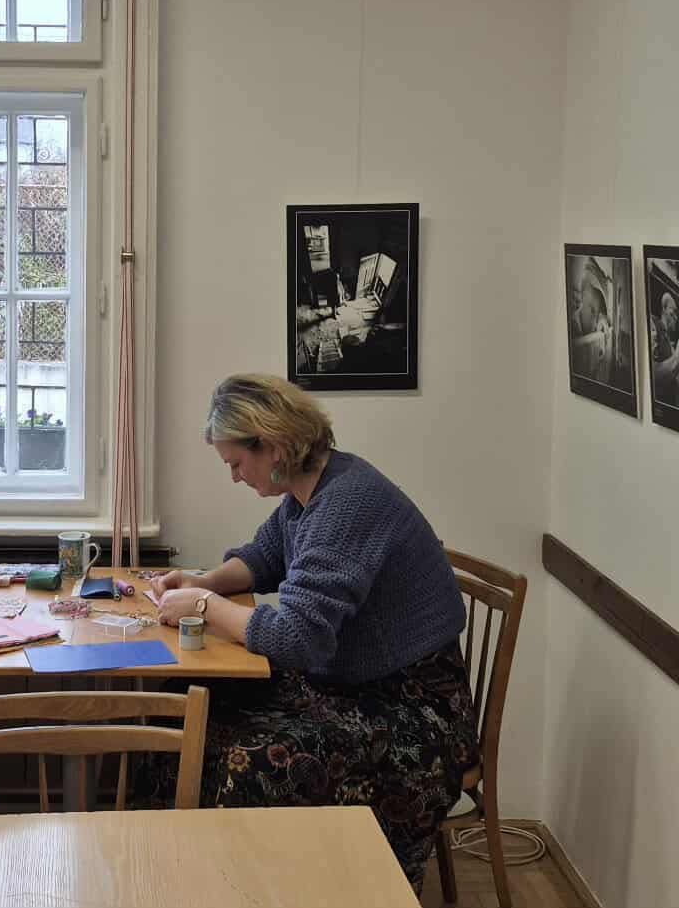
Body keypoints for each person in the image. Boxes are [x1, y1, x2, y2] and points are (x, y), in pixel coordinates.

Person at [142, 374, 475, 891]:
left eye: (236, 463)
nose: (234, 477)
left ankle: (260, 887)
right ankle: (189, 873)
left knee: (250, 762)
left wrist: (204, 606)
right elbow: (265, 556)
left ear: (272, 446)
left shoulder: (347, 502)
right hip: (351, 684)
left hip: (410, 709)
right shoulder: (309, 492)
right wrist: (204, 581)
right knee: (181, 705)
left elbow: (297, 639)